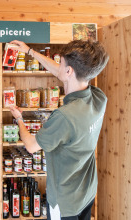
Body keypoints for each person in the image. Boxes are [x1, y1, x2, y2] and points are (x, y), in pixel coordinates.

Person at [9, 40, 109, 220]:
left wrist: (19, 119)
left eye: (61, 63)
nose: (58, 67)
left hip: (65, 202)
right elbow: (60, 71)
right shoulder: (99, 98)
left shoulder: (65, 116)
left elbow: (31, 146)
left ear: (69, 71)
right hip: (87, 191)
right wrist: (30, 51)